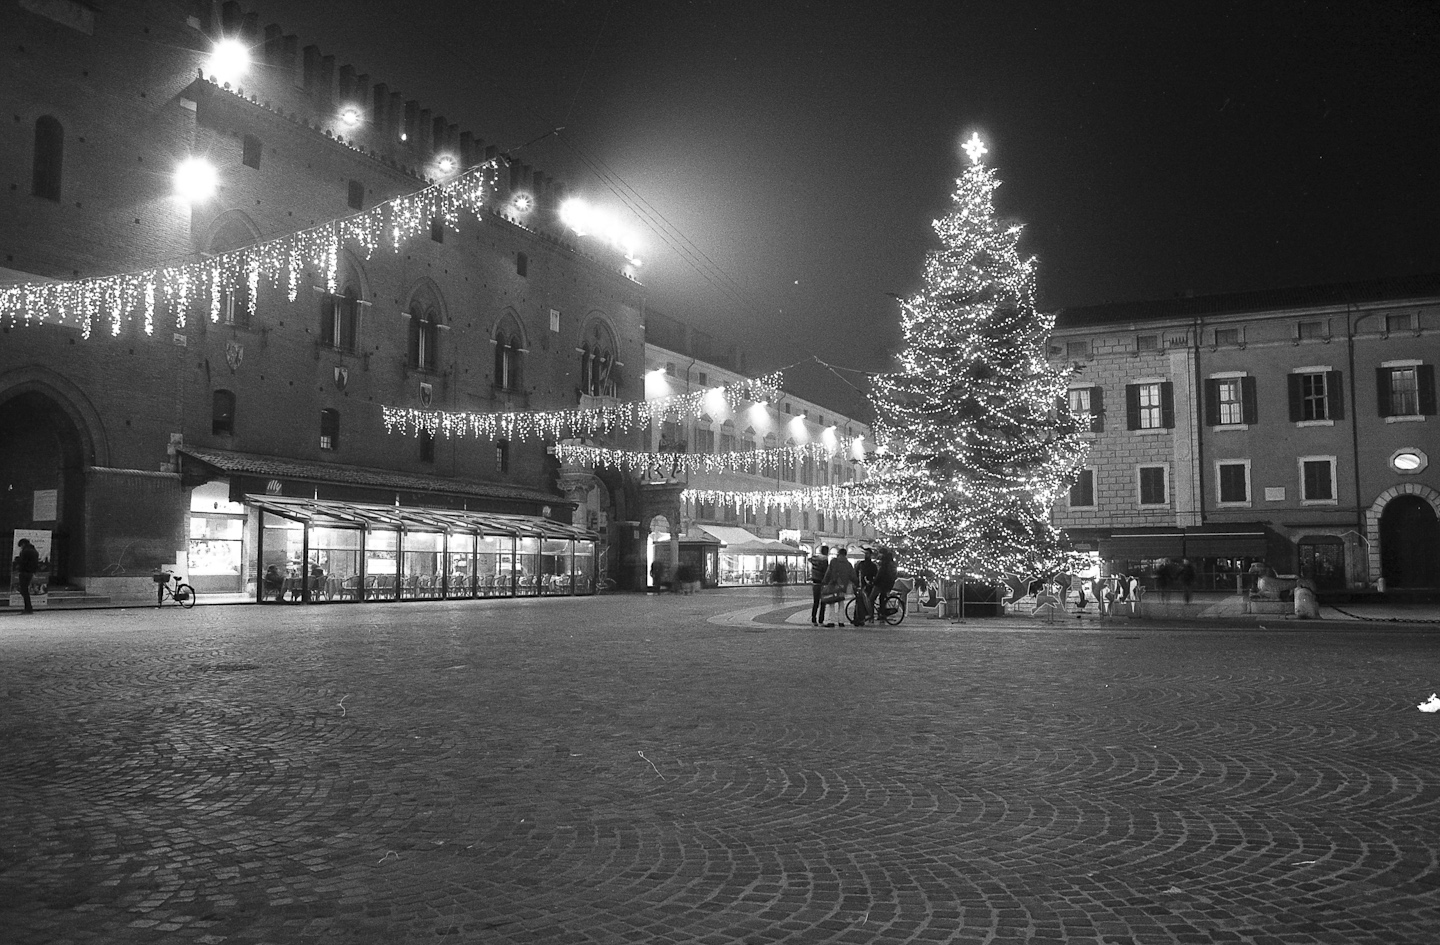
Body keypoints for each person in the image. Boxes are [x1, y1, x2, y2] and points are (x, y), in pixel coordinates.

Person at [821, 548, 857, 627]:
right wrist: (856, 583)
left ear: (839, 554)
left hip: (834, 584)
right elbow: (852, 575)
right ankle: (841, 621)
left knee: (832, 602)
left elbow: (828, 572)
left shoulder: (834, 561)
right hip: (843, 586)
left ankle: (831, 621)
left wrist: (824, 581)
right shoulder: (848, 564)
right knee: (841, 603)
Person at [13, 538, 40, 614]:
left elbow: (23, 562)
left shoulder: (25, 551)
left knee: (24, 590)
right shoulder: (34, 551)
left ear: (23, 544)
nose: (21, 547)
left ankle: (28, 608)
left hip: (24, 571)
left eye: (21, 546)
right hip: (30, 572)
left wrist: (17, 559)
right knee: (25, 590)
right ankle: (28, 607)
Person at [854, 548, 878, 625]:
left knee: (869, 602)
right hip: (861, 585)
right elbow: (856, 574)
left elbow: (875, 575)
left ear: (870, 555)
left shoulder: (873, 565)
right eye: (865, 554)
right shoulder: (860, 564)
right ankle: (859, 618)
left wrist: (871, 582)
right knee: (859, 602)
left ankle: (869, 616)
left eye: (867, 554)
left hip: (869, 586)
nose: (866, 555)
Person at [808, 544, 830, 626]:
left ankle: (814, 619)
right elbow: (826, 572)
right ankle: (821, 620)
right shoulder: (825, 560)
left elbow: (809, 559)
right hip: (822, 583)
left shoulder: (814, 558)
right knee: (823, 602)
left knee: (816, 602)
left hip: (815, 582)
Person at [873, 549, 898, 620]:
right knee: (882, 598)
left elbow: (881, 574)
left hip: (883, 584)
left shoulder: (885, 563)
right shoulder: (892, 563)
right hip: (889, 584)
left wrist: (875, 581)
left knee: (872, 598)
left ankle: (881, 613)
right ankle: (882, 613)